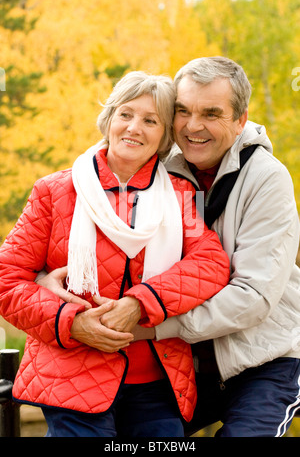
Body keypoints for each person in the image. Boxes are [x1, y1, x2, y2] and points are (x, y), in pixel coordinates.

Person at [0, 71, 230, 437]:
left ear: (165, 135)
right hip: (71, 376)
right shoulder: (54, 191)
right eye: (125, 114)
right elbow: (7, 280)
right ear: (108, 120)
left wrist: (141, 303)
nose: (134, 128)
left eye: (150, 120)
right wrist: (71, 322)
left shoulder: (181, 193)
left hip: (158, 382)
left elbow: (211, 264)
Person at [149, 57, 300, 437]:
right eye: (182, 111)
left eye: (211, 113)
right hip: (183, 362)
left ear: (240, 120)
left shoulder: (268, 178)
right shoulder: (158, 169)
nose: (193, 126)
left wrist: (154, 329)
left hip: (266, 358)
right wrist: (50, 279)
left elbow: (253, 296)